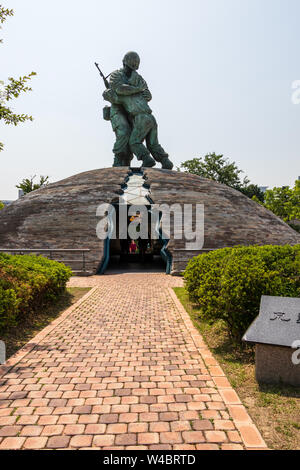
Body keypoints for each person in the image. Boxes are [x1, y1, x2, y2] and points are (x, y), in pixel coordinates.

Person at [103, 52, 173, 169]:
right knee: (125, 133)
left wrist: (138, 91)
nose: (131, 69)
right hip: (123, 111)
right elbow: (118, 89)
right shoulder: (116, 75)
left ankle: (147, 159)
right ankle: (164, 161)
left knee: (134, 142)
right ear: (124, 63)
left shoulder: (138, 79)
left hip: (138, 115)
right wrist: (137, 90)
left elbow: (146, 94)